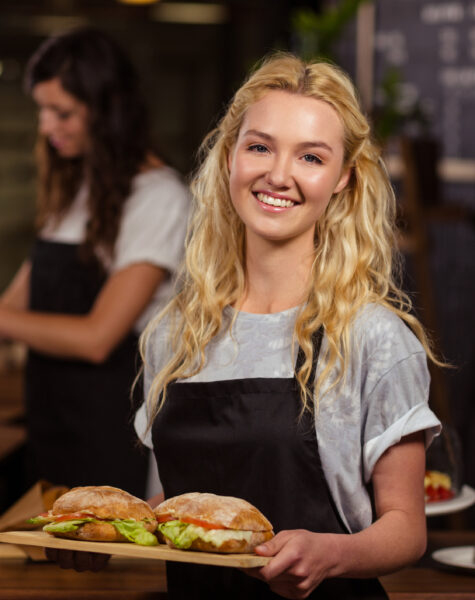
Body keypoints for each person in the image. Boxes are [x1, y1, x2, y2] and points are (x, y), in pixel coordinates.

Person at [52, 53, 442, 598]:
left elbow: (406, 528)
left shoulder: (373, 336)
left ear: (342, 179)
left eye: (310, 156)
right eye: (260, 146)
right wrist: (108, 536)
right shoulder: (176, 333)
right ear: (230, 157)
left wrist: (333, 553)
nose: (278, 174)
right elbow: (178, 511)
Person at [0, 27, 190, 499]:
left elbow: (97, 338)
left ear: (107, 111)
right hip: (49, 421)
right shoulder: (75, 190)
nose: (45, 127)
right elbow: (13, 309)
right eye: (42, 109)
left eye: (61, 112)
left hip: (109, 430)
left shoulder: (159, 198)